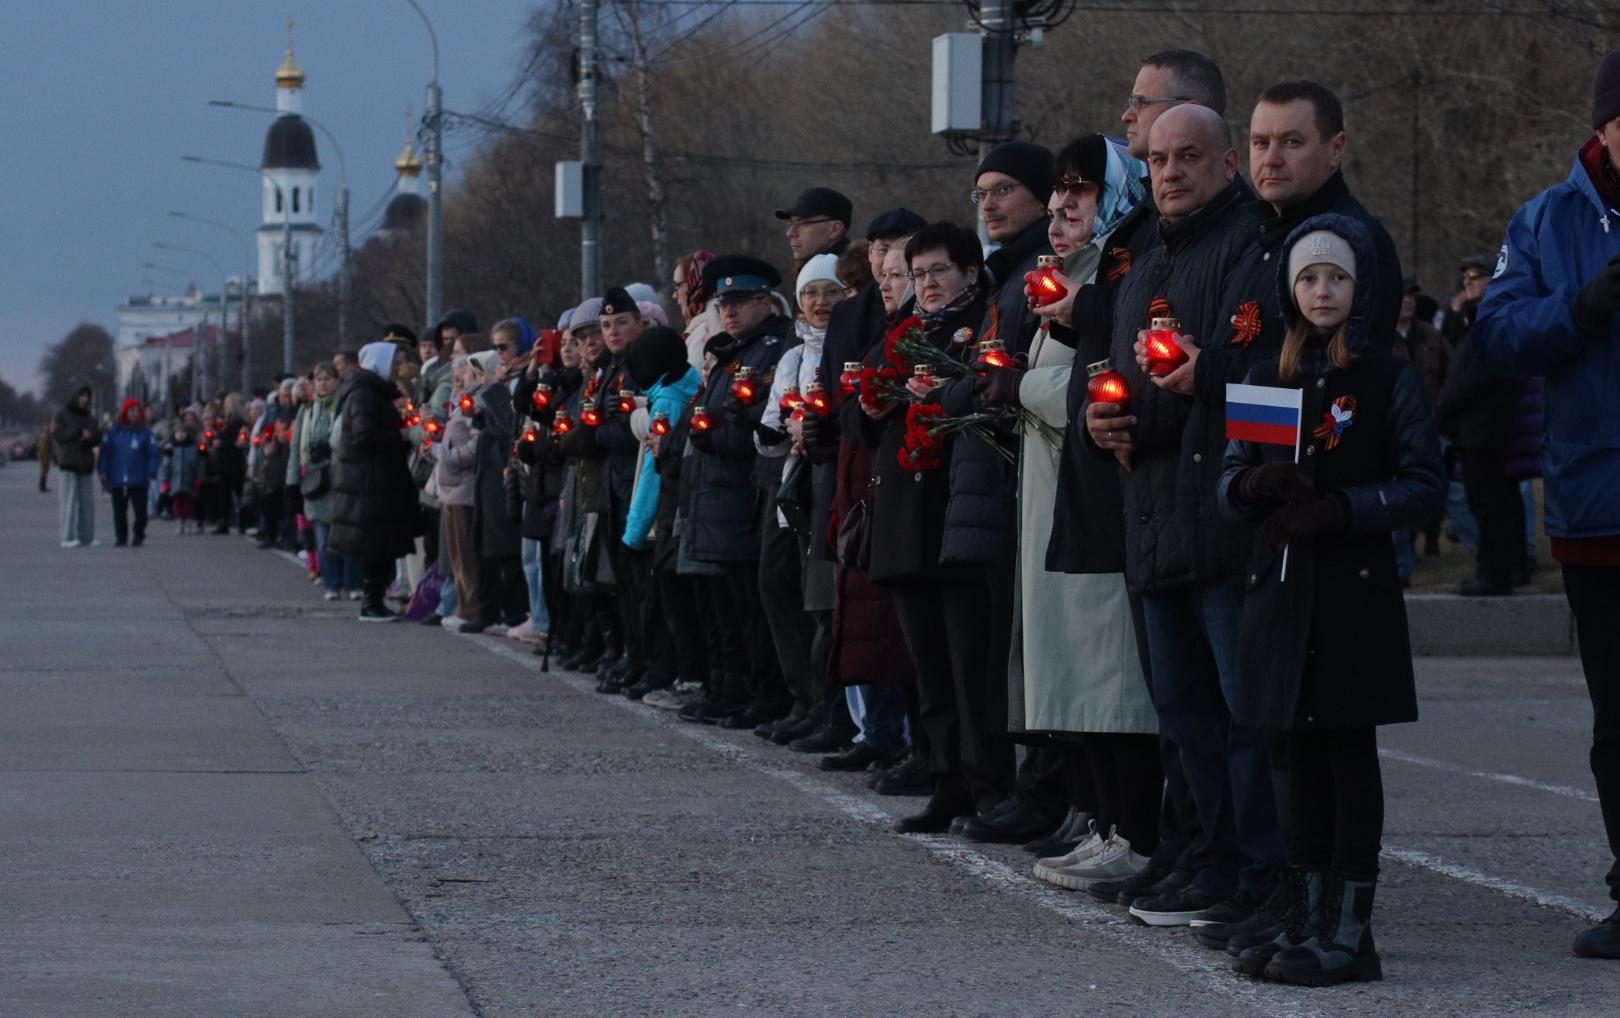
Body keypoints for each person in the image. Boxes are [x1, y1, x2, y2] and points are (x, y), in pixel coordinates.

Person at [1219, 216, 1444, 985]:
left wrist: (1343, 509)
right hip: (1281, 591)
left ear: (1361, 290)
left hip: (1351, 593)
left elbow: (1423, 483)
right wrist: (1254, 485)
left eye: (1338, 278)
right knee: (1296, 757)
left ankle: (1351, 932)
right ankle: (1308, 916)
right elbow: (1229, 478)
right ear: (1291, 288)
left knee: (1347, 755)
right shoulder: (1266, 373)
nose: (1323, 291)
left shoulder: (1386, 378)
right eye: (1310, 278)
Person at [1085, 104, 1283, 927]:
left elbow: (1270, 390)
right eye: (1159, 159)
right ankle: (1204, 857)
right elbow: (1119, 370)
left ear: (1228, 162)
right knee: (1183, 713)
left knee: (1244, 714)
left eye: (1190, 156)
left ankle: (1258, 871)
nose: (1171, 172)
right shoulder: (1140, 253)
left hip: (1221, 515)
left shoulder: (1251, 246)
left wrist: (1197, 392)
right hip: (1151, 511)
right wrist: (1106, 420)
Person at [1471, 47, 1620, 959]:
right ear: (1605, 124)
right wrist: (1585, 306)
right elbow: (1497, 335)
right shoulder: (1547, 218)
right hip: (1599, 504)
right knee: (1619, 716)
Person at [991, 134, 1161, 890]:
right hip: (1053, 505)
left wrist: (1017, 389)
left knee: (1106, 675)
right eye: (1058, 194)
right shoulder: (1065, 284)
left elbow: (1095, 388)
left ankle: (1134, 832)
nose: (1061, 208)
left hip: (1094, 505)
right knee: (1070, 673)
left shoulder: (1112, 284)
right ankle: (1098, 823)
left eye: (1080, 193)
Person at [850, 222, 1001, 833]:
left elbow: (992, 397)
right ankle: (946, 779)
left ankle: (988, 782)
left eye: (939, 271)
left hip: (956, 512)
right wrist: (869, 402)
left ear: (968, 270)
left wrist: (947, 390)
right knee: (930, 667)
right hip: (905, 518)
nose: (928, 285)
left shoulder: (986, 322)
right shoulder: (903, 334)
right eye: (918, 275)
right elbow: (861, 428)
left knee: (971, 663)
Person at [941, 140, 1066, 847]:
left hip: (1021, 482)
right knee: (1002, 652)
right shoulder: (1003, 277)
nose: (989, 203)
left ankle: (1047, 790)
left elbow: (1000, 381)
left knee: (1032, 648)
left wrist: (965, 386)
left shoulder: (1033, 279)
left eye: (1005, 190)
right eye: (982, 191)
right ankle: (1024, 787)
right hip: (990, 485)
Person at [679, 256, 797, 725]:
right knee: (728, 606)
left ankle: (764, 691)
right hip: (717, 495)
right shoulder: (734, 350)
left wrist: (708, 435)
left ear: (765, 303)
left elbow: (758, 427)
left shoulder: (769, 348)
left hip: (742, 492)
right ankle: (733, 687)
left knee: (753, 608)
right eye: (723, 302)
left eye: (741, 301)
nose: (729, 311)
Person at [755, 254, 850, 749]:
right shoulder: (793, 356)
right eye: (811, 293)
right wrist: (784, 428)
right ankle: (809, 701)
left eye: (830, 292)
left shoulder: (847, 343)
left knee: (827, 603)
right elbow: (769, 430)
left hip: (835, 478)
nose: (819, 303)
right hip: (799, 489)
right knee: (794, 595)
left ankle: (832, 710)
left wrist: (811, 428)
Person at [620, 324, 704, 696]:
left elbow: (654, 474)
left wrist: (633, 531)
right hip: (678, 513)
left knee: (668, 604)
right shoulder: (683, 388)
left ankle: (681, 675)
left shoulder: (668, 401)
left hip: (664, 519)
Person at [329, 339, 424, 622]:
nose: (398, 369)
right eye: (394, 363)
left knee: (381, 544)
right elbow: (365, 436)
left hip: (374, 479)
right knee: (376, 545)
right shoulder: (364, 395)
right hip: (370, 481)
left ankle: (375, 601)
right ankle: (372, 603)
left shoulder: (369, 392)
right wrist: (403, 436)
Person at [1438, 307, 1529, 596]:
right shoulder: (1484, 325)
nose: (1467, 284)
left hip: (1484, 431)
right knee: (1500, 503)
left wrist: (1443, 409)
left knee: (1490, 505)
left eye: (1476, 278)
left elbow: (1474, 379)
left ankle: (1495, 572)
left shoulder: (1492, 327)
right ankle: (1510, 567)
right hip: (1481, 431)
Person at [98, 398, 161, 547]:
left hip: (139, 479)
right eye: (131, 411)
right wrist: (103, 471)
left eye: (136, 411)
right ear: (125, 412)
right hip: (118, 479)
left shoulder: (146, 433)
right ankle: (121, 537)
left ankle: (139, 534)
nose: (134, 414)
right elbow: (105, 454)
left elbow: (153, 454)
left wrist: (151, 471)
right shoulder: (114, 432)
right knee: (119, 511)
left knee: (141, 512)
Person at [53, 385, 101, 548]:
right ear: (75, 396)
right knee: (68, 501)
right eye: (82, 395)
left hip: (86, 463)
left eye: (87, 396)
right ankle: (67, 537)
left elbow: (96, 436)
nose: (85, 399)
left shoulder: (91, 417)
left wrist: (89, 437)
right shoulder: (62, 415)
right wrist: (78, 432)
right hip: (69, 462)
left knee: (87, 503)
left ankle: (87, 536)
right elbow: (59, 435)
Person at [776, 186, 853, 271]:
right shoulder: (848, 271)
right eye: (792, 223)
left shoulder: (825, 274)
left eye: (803, 223)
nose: (790, 233)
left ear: (835, 229)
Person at [162, 412, 204, 535]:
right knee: (177, 504)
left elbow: (200, 464)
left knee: (189, 504)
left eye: (183, 433)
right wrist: (165, 481)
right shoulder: (171, 449)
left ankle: (189, 523)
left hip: (190, 481)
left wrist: (199, 478)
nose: (180, 435)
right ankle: (179, 523)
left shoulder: (193, 449)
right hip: (175, 482)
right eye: (178, 433)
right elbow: (166, 466)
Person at [37, 420, 53, 493]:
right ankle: (42, 486)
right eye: (47, 427)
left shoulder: (47, 435)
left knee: (45, 471)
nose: (49, 428)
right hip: (44, 456)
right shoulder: (45, 436)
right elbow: (43, 446)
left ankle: (43, 485)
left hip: (46, 455)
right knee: (44, 471)